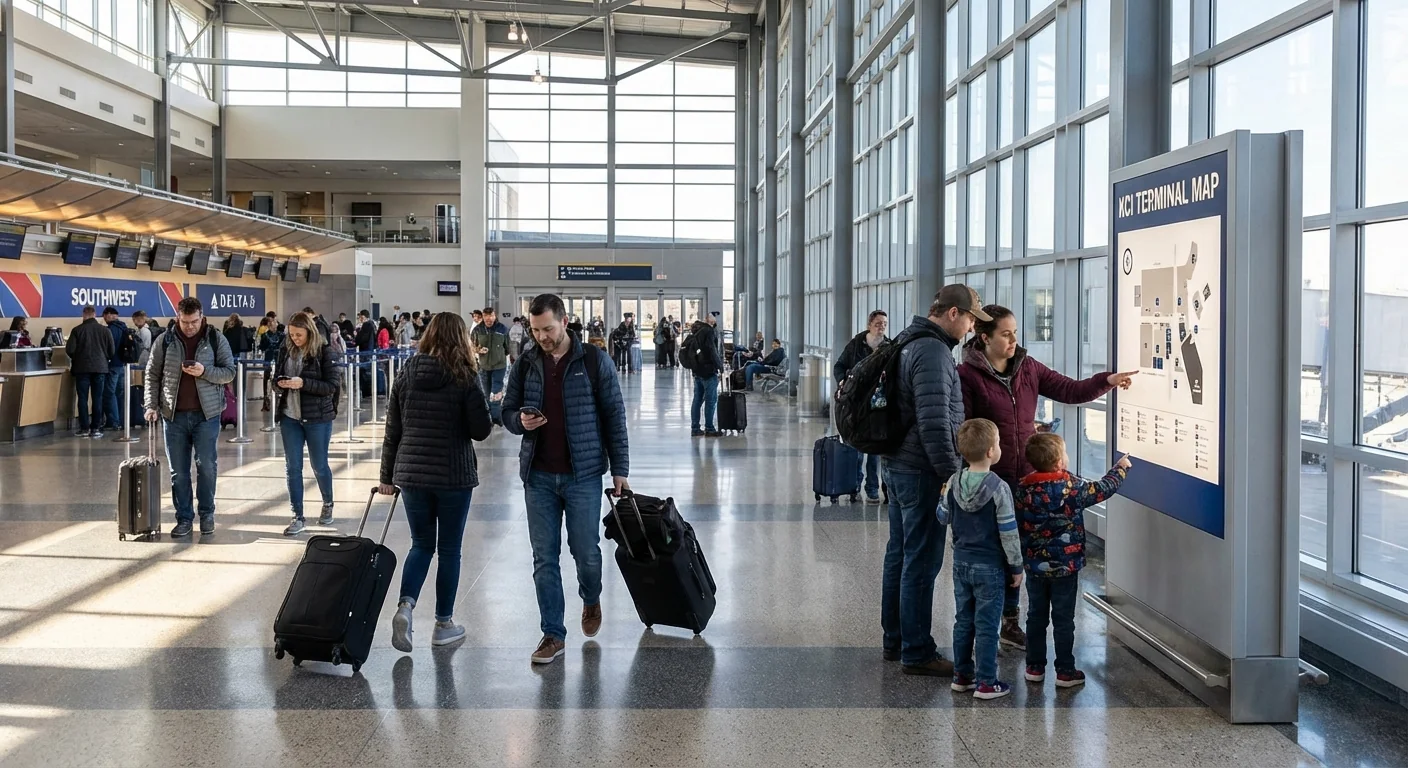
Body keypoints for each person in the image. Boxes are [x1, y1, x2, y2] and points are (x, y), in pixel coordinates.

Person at [957, 304, 1135, 649]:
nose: (1013, 340)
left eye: (1015, 333)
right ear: (985, 338)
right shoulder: (967, 376)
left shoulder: (1028, 368)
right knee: (996, 553)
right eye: (1006, 334)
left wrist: (1107, 381)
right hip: (989, 479)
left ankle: (1010, 621)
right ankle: (993, 619)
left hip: (1025, 477)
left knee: (1019, 551)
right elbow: (963, 430)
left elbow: (1070, 390)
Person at [503, 293, 630, 665]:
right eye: (535, 329)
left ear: (565, 320)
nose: (541, 336)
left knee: (586, 553)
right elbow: (506, 411)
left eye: (548, 328)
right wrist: (518, 422)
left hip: (583, 474)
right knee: (544, 557)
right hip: (538, 475)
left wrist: (620, 469)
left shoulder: (593, 360)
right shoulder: (526, 363)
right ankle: (552, 634)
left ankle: (591, 598)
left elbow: (614, 416)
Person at [881, 284, 991, 677]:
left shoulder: (907, 340)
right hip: (920, 471)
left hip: (897, 465)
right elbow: (933, 422)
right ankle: (917, 650)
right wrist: (951, 476)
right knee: (921, 562)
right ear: (953, 314)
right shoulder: (932, 351)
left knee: (899, 555)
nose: (973, 329)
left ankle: (895, 639)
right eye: (972, 320)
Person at [381, 312, 494, 650]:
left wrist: (387, 477)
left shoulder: (407, 372)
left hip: (411, 473)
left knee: (421, 545)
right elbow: (481, 431)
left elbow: (393, 431)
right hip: (452, 474)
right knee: (449, 550)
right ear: (461, 338)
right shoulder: (465, 376)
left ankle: (405, 606)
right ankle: (443, 623)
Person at [1017, 433, 1132, 688]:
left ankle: (1034, 667)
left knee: (1035, 616)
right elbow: (1103, 488)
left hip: (1034, 567)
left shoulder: (1022, 488)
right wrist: (1120, 468)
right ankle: (1065, 670)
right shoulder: (1072, 487)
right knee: (1063, 618)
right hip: (1066, 568)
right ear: (1059, 461)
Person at [942, 418, 1023, 700]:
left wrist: (944, 496)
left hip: (961, 563)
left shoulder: (953, 482)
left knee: (963, 620)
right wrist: (1016, 566)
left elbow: (943, 517)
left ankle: (961, 675)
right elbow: (1009, 532)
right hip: (990, 566)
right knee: (988, 624)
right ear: (991, 451)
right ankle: (987, 681)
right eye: (998, 443)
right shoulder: (999, 488)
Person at [144, 297, 236, 538]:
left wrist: (205, 372)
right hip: (173, 416)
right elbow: (152, 374)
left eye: (194, 322)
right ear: (177, 318)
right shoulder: (165, 341)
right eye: (185, 322)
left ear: (202, 317)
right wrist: (151, 405)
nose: (190, 327)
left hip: (207, 415)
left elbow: (229, 372)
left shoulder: (215, 338)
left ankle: (206, 514)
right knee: (179, 471)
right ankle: (184, 518)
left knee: (206, 466)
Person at [275, 312, 340, 536]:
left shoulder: (324, 352)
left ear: (309, 332)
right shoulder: (285, 350)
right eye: (291, 334)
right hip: (289, 416)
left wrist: (303, 383)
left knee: (319, 465)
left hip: (317, 418)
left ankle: (328, 502)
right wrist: (279, 384)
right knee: (293, 467)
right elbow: (276, 378)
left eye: (299, 334)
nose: (295, 339)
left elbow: (331, 385)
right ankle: (297, 515)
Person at [835, 311, 890, 503]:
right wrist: (842, 383)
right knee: (856, 449)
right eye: (878, 323)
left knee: (874, 451)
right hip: (856, 405)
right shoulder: (856, 345)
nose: (881, 326)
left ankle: (872, 489)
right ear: (869, 325)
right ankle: (854, 486)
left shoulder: (888, 347)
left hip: (876, 407)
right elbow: (839, 366)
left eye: (884, 323)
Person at [65, 305, 114, 438]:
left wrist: (78, 358)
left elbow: (69, 349)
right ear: (95, 314)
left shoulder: (77, 330)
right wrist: (104, 359)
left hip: (82, 369)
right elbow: (111, 351)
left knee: (82, 398)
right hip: (100, 369)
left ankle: (84, 428)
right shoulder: (105, 331)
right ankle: (96, 428)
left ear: (83, 314)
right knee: (97, 398)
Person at [685, 313, 724, 437]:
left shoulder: (696, 331)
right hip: (708, 371)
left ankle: (695, 428)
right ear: (710, 321)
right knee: (711, 401)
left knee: (697, 400)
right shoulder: (709, 331)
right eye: (714, 318)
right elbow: (712, 350)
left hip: (697, 371)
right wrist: (720, 366)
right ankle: (709, 428)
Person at [471, 307, 511, 425]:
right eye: (486, 316)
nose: (489, 319)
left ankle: (496, 417)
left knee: (496, 391)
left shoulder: (502, 329)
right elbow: (472, 346)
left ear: (495, 316)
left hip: (499, 366)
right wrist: (478, 350)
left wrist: (509, 358)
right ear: (483, 317)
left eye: (491, 316)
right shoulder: (477, 330)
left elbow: (507, 347)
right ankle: (489, 417)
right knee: (487, 392)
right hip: (483, 366)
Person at [99, 307, 131, 432]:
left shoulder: (110, 330)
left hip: (112, 364)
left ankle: (113, 421)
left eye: (104, 316)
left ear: (108, 315)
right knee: (120, 393)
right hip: (123, 365)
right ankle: (123, 421)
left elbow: (108, 348)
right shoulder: (124, 328)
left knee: (109, 393)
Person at [259, 316, 287, 412]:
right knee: (275, 379)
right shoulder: (282, 336)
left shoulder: (265, 335)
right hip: (276, 360)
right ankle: (275, 402)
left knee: (267, 380)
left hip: (270, 359)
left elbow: (262, 347)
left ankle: (267, 401)